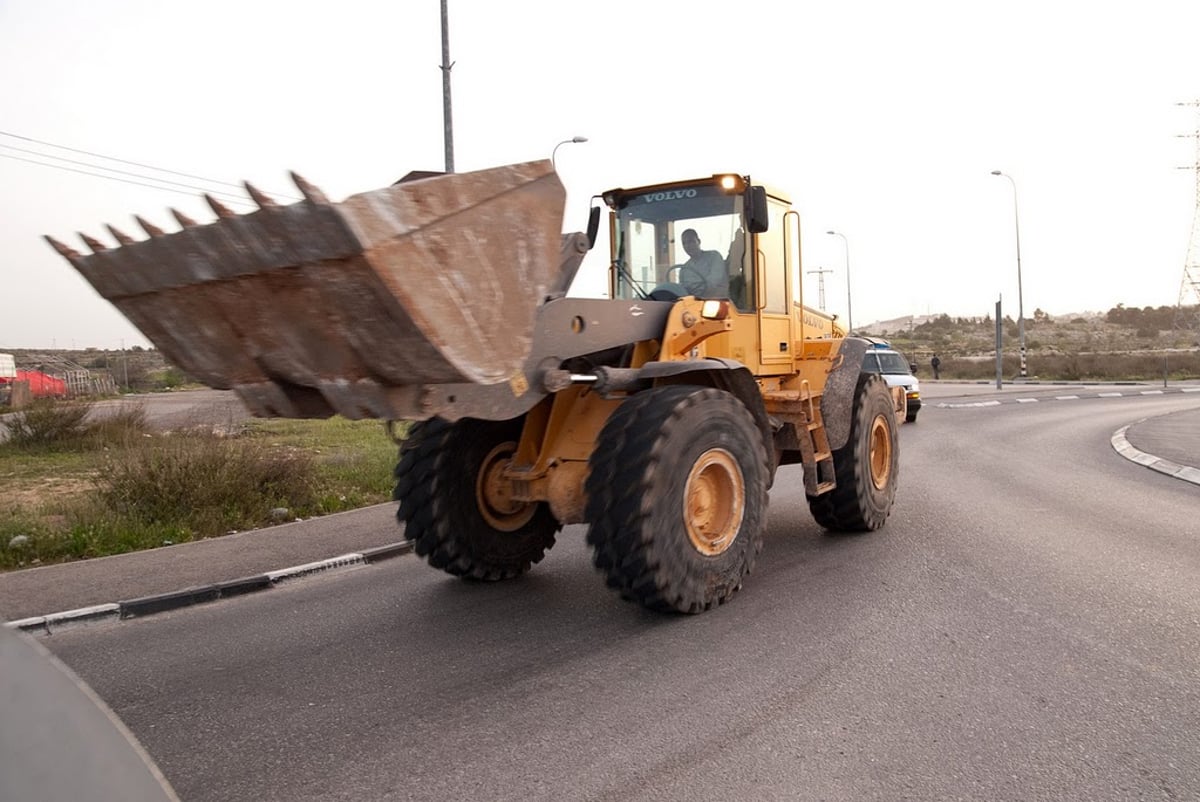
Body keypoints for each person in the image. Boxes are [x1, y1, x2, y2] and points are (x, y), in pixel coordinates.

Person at [675, 228, 729, 298]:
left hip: (717, 302)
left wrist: (694, 291)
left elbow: (713, 282)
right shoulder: (684, 270)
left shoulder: (714, 256)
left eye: (691, 241)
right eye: (684, 243)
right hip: (693, 304)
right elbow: (683, 290)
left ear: (699, 241)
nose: (687, 246)